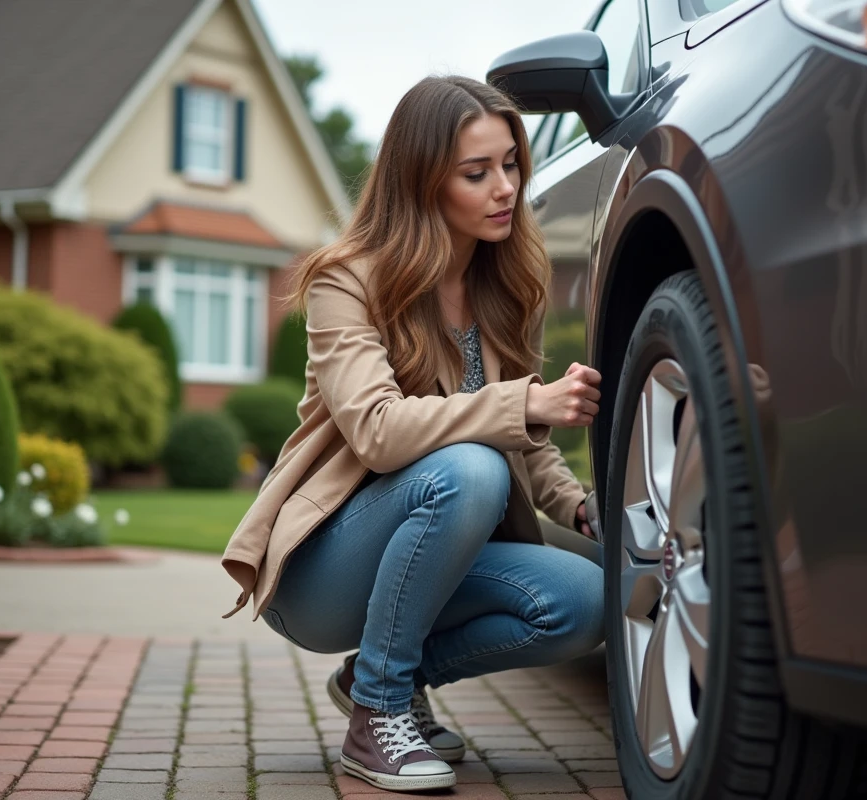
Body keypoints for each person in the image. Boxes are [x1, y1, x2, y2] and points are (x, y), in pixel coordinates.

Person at [220, 74, 605, 793]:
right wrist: (523, 403)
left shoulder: (505, 282)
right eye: (476, 172)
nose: (506, 188)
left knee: (586, 603)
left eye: (511, 164)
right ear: (422, 180)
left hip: (435, 547)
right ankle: (380, 714)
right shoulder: (348, 281)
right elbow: (378, 432)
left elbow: (527, 432)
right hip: (324, 568)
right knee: (470, 472)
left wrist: (576, 506)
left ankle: (375, 675)